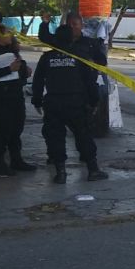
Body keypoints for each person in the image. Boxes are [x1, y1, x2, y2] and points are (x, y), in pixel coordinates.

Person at [32, 25, 108, 183]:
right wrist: (94, 102)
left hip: (53, 102)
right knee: (83, 135)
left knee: (55, 137)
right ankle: (92, 170)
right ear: (71, 38)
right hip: (76, 103)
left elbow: (38, 81)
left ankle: (60, 172)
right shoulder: (80, 56)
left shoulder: (47, 58)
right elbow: (90, 81)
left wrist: (37, 100)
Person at [0, 29, 37, 176]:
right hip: (0, 97)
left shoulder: (11, 51)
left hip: (15, 94)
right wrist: (8, 69)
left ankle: (16, 159)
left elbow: (20, 68)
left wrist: (24, 70)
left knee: (17, 128)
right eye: (5, 32)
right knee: (2, 129)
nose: (10, 34)